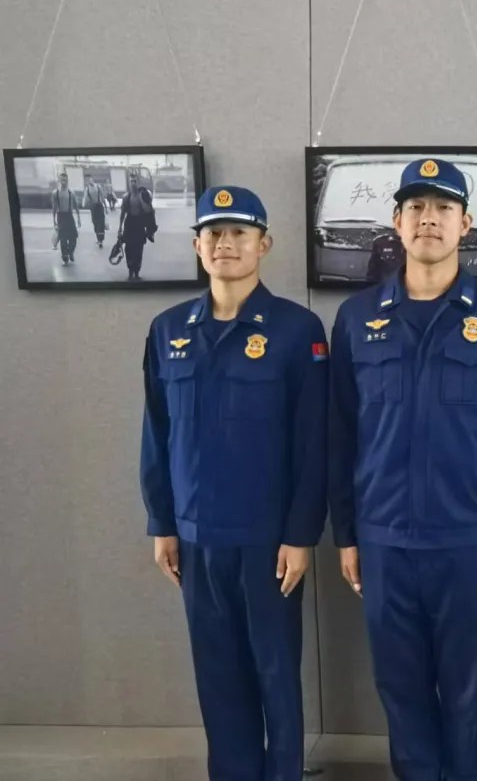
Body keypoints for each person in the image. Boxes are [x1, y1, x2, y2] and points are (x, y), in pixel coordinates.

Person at [328, 158, 477, 780]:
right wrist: (347, 534)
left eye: (444, 207)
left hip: (467, 537)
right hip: (384, 538)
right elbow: (341, 434)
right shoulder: (357, 319)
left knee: (468, 689)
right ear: (396, 222)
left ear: (465, 224)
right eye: (416, 207)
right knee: (399, 687)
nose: (429, 219)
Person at [140, 186, 329, 780]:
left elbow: (314, 442)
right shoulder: (169, 329)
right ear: (198, 245)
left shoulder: (297, 329)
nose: (225, 243)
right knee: (218, 677)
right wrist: (162, 523)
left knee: (276, 673)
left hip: (267, 540)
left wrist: (301, 533)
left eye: (239, 233)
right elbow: (156, 433)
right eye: (213, 233)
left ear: (263, 244)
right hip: (196, 537)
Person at [118, 171, 157, 281]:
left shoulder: (143, 195)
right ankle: (130, 270)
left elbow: (149, 211)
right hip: (129, 224)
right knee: (129, 249)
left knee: (139, 250)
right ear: (129, 183)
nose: (133, 183)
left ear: (138, 182)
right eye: (131, 181)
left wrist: (143, 200)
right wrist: (119, 228)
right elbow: (122, 213)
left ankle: (136, 272)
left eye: (135, 181)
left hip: (139, 224)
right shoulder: (126, 197)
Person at [51, 171, 81, 266]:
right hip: (61, 217)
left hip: (69, 216)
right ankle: (65, 257)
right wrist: (54, 221)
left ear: (67, 180)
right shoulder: (55, 193)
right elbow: (54, 208)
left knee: (73, 238)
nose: (63, 180)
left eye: (65, 179)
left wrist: (79, 219)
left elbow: (76, 206)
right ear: (59, 180)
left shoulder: (71, 193)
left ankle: (71, 252)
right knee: (63, 239)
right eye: (62, 179)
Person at [82, 170, 108, 248]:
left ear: (92, 179)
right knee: (95, 223)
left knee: (101, 223)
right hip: (93, 208)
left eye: (89, 179)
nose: (88, 181)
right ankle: (98, 238)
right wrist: (83, 204)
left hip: (99, 206)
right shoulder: (87, 189)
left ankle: (100, 240)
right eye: (87, 180)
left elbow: (102, 197)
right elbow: (85, 197)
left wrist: (106, 207)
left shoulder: (98, 187)